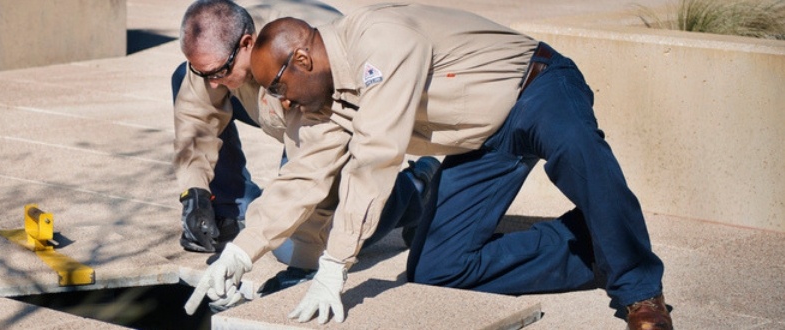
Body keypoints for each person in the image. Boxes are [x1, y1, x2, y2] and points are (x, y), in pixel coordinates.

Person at [188, 3, 674, 329]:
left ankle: (639, 291)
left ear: (302, 59)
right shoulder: (322, 97)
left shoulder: (381, 42)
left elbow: (376, 157)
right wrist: (241, 252)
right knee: (437, 268)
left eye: (277, 87)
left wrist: (335, 265)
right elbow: (305, 175)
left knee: (579, 153)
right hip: (480, 141)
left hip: (536, 88)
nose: (278, 101)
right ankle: (600, 242)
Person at [172, 0, 438, 300]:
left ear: (247, 43)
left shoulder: (301, 68)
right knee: (184, 80)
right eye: (205, 73)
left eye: (218, 72)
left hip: (322, 116)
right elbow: (194, 116)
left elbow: (310, 172)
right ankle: (228, 209)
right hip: (274, 103)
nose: (213, 83)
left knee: (306, 240)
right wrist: (194, 191)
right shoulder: (220, 51)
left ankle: (416, 187)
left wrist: (302, 265)